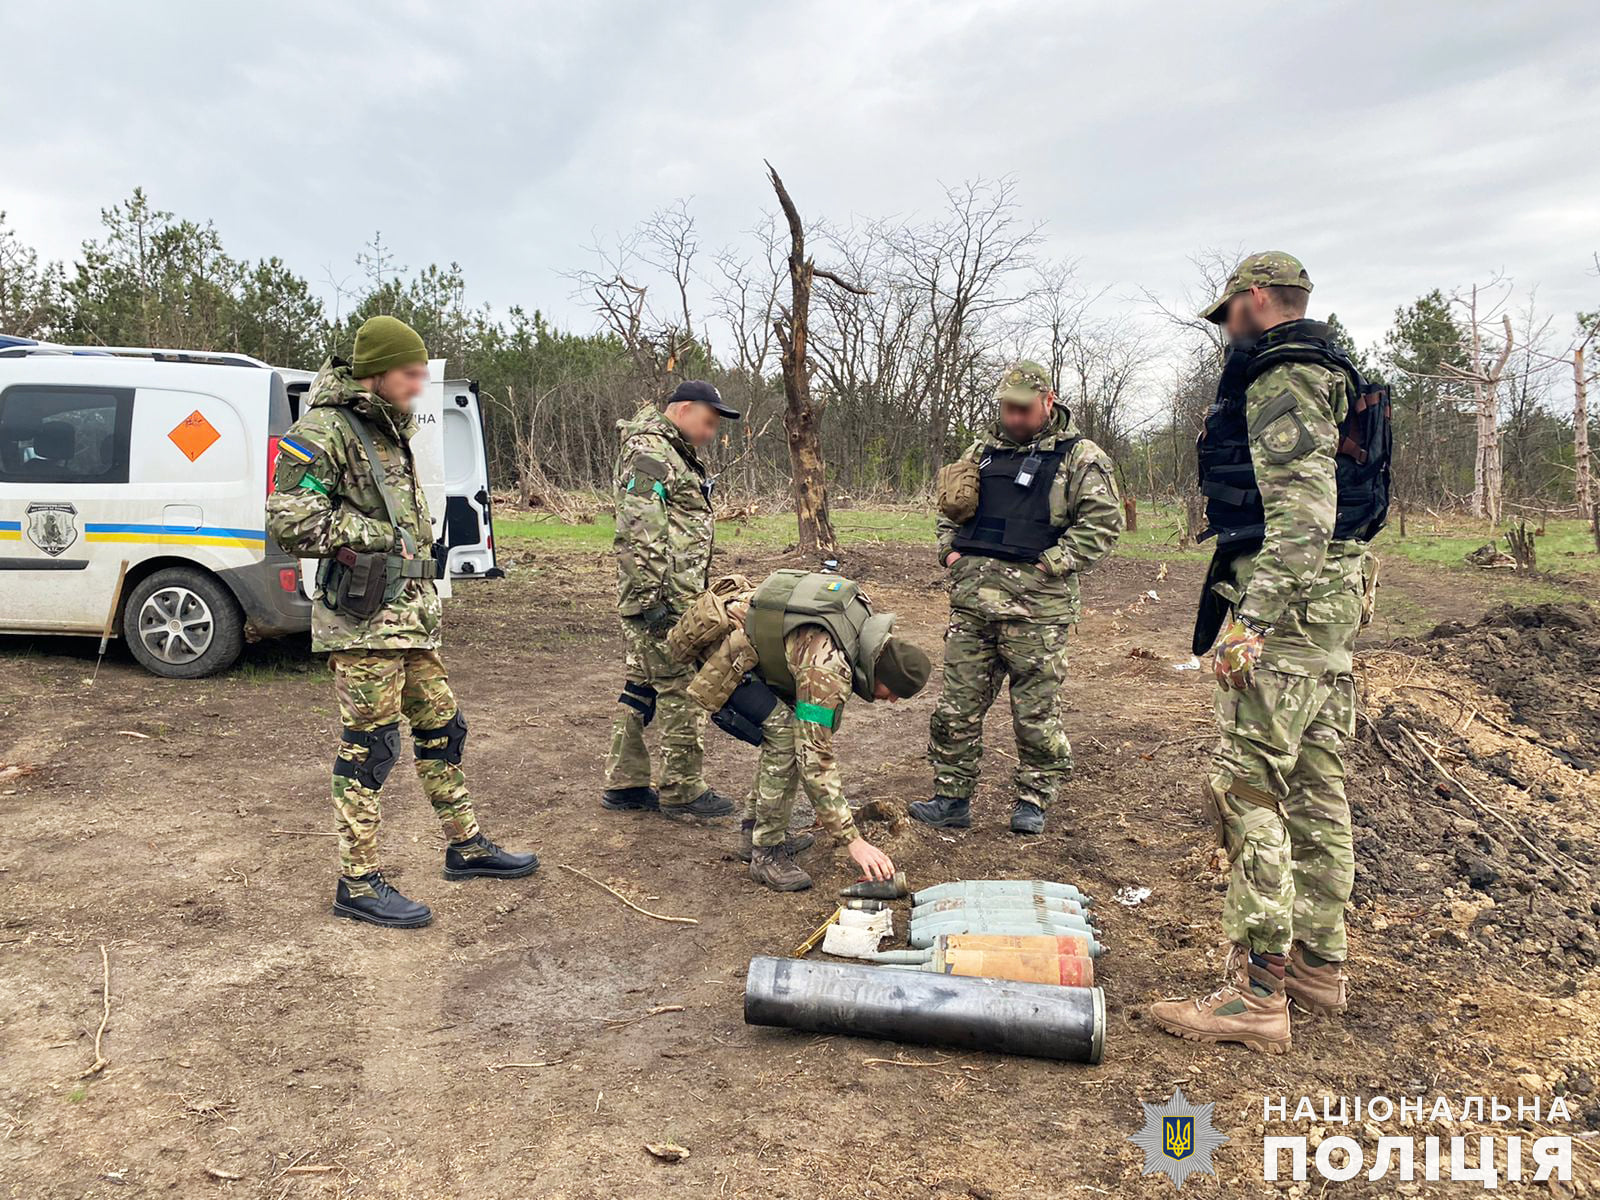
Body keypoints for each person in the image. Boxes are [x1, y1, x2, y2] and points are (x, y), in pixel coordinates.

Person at [1150, 251, 1388, 1053]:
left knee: (1248, 786)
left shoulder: (1283, 376)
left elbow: (1302, 518)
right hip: (1331, 610)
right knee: (1318, 784)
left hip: (1288, 612)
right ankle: (1320, 965)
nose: (1227, 331)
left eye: (1229, 315)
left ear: (1255, 299)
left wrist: (1250, 622)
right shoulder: (1334, 370)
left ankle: (1255, 994)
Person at [266, 315, 536, 929]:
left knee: (444, 727)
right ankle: (357, 884)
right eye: (410, 374)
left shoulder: (387, 427)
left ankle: (466, 846)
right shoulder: (323, 431)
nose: (419, 385)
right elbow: (291, 523)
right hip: (363, 623)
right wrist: (381, 536)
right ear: (377, 372)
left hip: (408, 618)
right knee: (370, 747)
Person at [914, 361, 1124, 835]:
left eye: (1023, 409)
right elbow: (949, 509)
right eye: (1007, 408)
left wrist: (1049, 564)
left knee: (1035, 714)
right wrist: (949, 553)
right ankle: (951, 797)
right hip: (972, 607)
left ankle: (1033, 799)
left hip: (1037, 612)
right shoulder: (980, 452)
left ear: (1048, 401)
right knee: (955, 708)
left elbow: (1102, 526)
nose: (1013, 417)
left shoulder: (1080, 457)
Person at [674, 570, 932, 892]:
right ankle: (766, 853)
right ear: (882, 674)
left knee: (790, 730)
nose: (891, 701)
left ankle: (753, 832)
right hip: (724, 652)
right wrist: (851, 839)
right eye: (893, 692)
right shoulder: (828, 668)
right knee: (786, 737)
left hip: (751, 642)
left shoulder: (861, 633)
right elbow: (814, 754)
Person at [602, 380, 742, 819]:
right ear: (683, 409)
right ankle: (683, 789)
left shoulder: (670, 450)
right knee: (682, 687)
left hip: (665, 593)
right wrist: (653, 603)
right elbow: (640, 529)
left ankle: (625, 783)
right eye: (708, 422)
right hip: (662, 599)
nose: (710, 434)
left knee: (641, 686)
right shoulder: (652, 452)